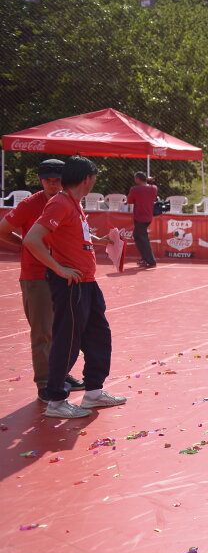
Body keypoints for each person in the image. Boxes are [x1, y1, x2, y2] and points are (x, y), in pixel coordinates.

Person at [22, 157, 126, 418]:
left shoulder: (73, 204)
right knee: (67, 341)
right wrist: (59, 268)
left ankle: (93, 393)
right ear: (87, 179)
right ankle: (56, 401)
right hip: (70, 284)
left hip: (87, 282)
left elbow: (72, 235)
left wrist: (101, 241)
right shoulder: (59, 202)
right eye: (94, 179)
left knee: (98, 336)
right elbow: (32, 239)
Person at [0, 159, 86, 404]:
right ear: (40, 179)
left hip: (63, 274)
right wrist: (27, 246)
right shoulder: (31, 204)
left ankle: (59, 374)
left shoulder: (70, 201)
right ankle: (45, 383)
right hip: (37, 276)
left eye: (56, 178)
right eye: (47, 178)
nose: (51, 182)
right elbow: (2, 230)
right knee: (42, 333)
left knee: (63, 329)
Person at [127, 171, 158, 268]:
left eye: (135, 178)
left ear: (138, 179)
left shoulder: (135, 189)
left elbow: (129, 201)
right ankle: (145, 258)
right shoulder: (154, 188)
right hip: (148, 216)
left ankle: (150, 260)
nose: (134, 180)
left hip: (139, 217)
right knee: (137, 236)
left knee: (143, 239)